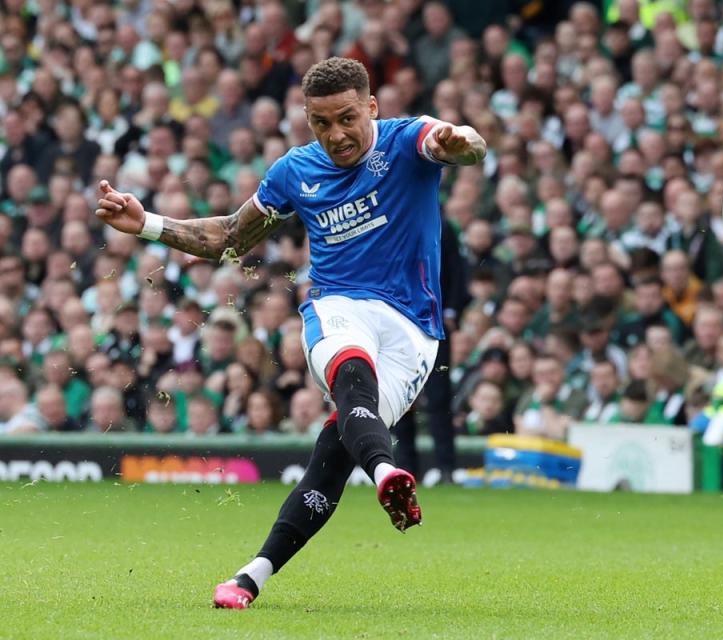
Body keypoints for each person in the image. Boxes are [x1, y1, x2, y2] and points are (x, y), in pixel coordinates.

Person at [94, 57, 486, 609]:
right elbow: (229, 238)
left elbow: (462, 145)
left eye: (348, 119)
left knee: (334, 449)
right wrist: (150, 224)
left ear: (371, 107)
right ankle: (385, 473)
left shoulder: (406, 141)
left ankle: (252, 575)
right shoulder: (294, 172)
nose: (336, 135)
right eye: (321, 123)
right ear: (307, 119)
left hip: (414, 331)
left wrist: (463, 139)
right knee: (352, 375)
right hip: (339, 306)